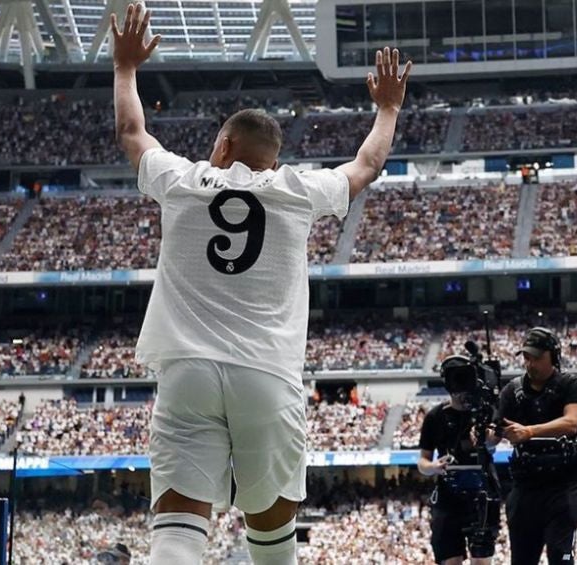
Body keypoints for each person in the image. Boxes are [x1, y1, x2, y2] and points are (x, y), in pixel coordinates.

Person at [110, 4, 412, 564]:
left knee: (176, 533)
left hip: (188, 371)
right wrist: (388, 108)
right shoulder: (297, 190)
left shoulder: (182, 179)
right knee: (271, 540)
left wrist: (126, 67)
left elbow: (132, 130)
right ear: (273, 159)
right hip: (267, 375)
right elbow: (367, 165)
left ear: (224, 146)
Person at [498, 327, 577, 565]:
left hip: (563, 485)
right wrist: (484, 432)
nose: (530, 364)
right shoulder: (512, 390)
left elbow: (572, 423)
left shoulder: (573, 384)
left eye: (537, 358)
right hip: (525, 486)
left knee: (561, 558)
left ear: (554, 356)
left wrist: (528, 432)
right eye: (527, 358)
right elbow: (495, 429)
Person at [418, 355, 501, 565]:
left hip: (483, 493)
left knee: (481, 560)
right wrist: (435, 467)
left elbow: (494, 441)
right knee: (450, 560)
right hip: (448, 497)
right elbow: (423, 462)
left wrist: (486, 435)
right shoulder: (435, 417)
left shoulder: (485, 412)